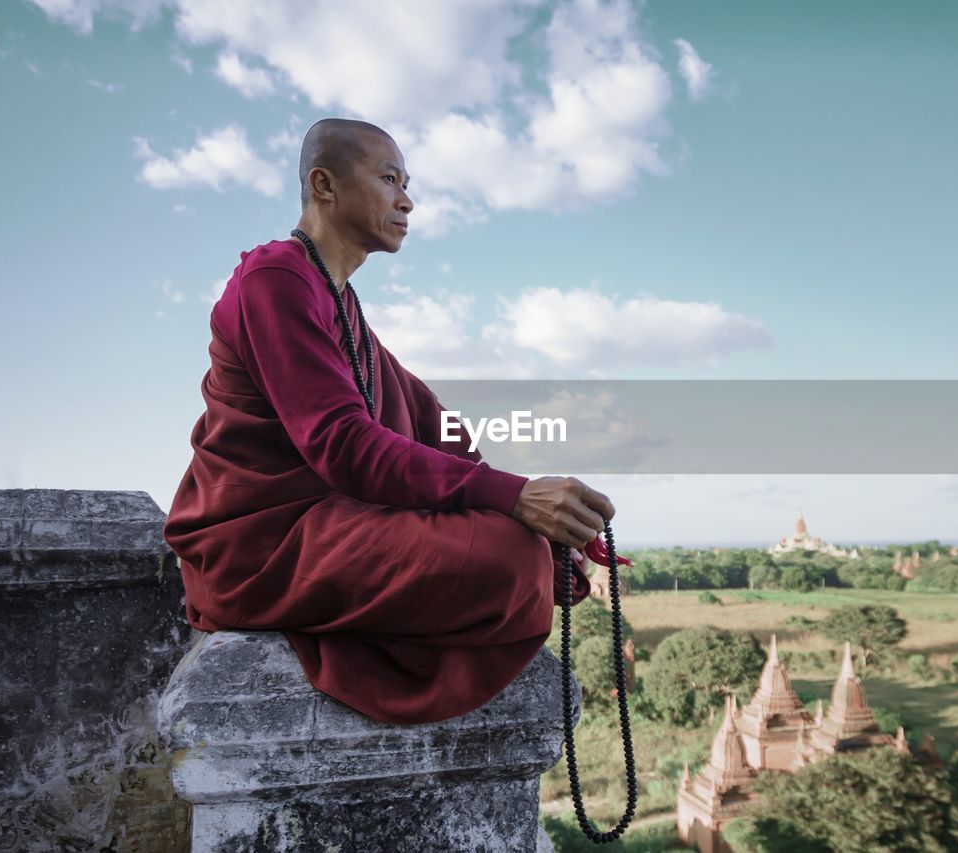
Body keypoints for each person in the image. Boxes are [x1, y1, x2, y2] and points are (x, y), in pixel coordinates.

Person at [163, 117, 625, 725]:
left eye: (407, 183)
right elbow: (345, 444)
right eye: (388, 179)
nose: (407, 200)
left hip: (327, 525)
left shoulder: (339, 301)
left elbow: (433, 424)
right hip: (261, 543)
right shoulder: (275, 279)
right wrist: (515, 501)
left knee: (524, 549)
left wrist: (543, 520)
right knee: (507, 561)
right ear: (324, 186)